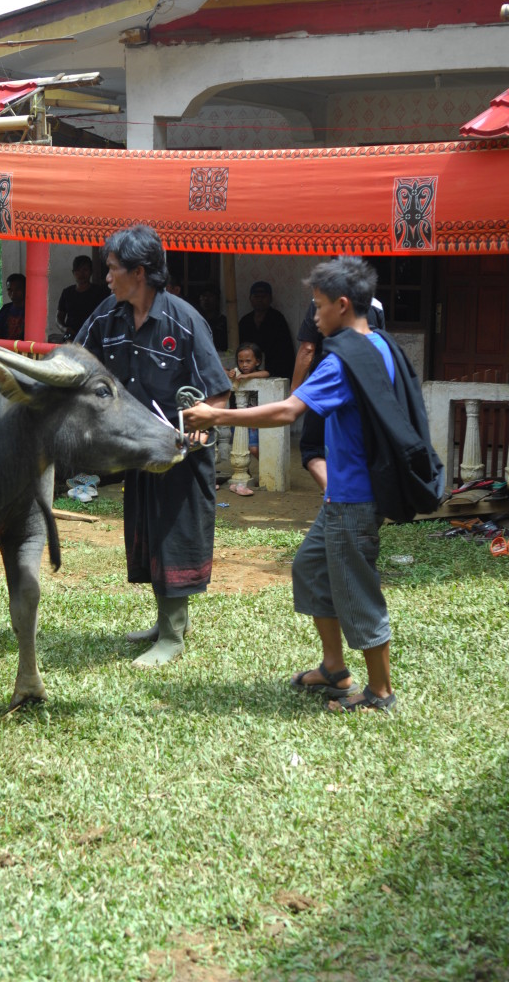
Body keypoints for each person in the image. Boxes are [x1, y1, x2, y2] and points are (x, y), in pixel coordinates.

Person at [183, 256, 408, 714]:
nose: (314, 316)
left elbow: (287, 411)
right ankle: (334, 669)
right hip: (345, 493)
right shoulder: (379, 345)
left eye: (318, 306)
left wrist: (216, 415)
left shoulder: (345, 360)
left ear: (342, 305)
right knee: (310, 567)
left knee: (356, 588)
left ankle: (380, 692)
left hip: (355, 497)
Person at [76, 224, 231, 668]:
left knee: (175, 537)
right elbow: (76, 358)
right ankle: (164, 622)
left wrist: (199, 429)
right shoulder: (108, 314)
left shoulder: (184, 320)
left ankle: (173, 636)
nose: (107, 277)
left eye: (113, 269)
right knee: (149, 536)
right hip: (138, 452)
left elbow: (218, 393)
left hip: (180, 454)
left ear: (139, 272)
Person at [291, 293, 385, 491]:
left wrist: (295, 391)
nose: (318, 318)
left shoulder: (320, 301)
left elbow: (307, 349)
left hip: (326, 388)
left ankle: (334, 494)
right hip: (365, 388)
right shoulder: (376, 306)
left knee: (312, 448)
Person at [238, 280, 296, 380]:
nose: (259, 300)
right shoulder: (245, 321)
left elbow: (285, 350)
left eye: (263, 297)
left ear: (270, 299)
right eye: (256, 297)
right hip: (249, 370)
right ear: (250, 299)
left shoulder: (277, 318)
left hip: (275, 368)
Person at [227, 341, 269, 463]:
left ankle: (266, 468)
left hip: (254, 420)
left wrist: (247, 376)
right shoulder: (237, 374)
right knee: (239, 448)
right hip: (238, 418)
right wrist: (230, 374)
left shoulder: (258, 374)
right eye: (241, 361)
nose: (244, 365)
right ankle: (246, 471)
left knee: (253, 448)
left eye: (248, 361)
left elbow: (266, 373)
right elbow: (224, 372)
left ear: (257, 362)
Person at [56, 255, 107, 341]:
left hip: (93, 336)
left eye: (85, 270)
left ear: (91, 271)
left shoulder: (99, 292)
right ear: (73, 272)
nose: (81, 274)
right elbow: (58, 318)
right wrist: (64, 329)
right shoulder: (67, 292)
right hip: (71, 337)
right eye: (78, 270)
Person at [0, 273, 26, 341]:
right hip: (3, 347)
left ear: (25, 289)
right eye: (10, 290)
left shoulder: (32, 311)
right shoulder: (6, 309)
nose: (13, 293)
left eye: (17, 289)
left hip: (23, 347)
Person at [197, 282, 228, 351]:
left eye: (210, 296)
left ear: (217, 300)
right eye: (203, 296)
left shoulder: (224, 322)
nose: (206, 299)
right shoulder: (196, 321)